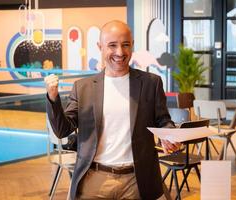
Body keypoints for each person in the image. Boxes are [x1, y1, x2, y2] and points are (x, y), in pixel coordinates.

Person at [45, 20, 179, 200]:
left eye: (125, 45)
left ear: (132, 45)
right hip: (94, 179)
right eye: (112, 45)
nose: (120, 52)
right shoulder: (83, 87)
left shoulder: (151, 83)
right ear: (100, 47)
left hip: (138, 180)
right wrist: (53, 98)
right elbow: (62, 130)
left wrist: (168, 135)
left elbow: (163, 120)